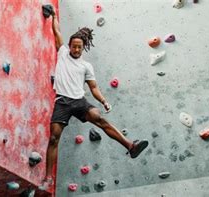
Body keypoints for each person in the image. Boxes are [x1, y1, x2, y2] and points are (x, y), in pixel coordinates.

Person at [39, 7, 149, 192]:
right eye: (73, 46)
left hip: (79, 102)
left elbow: (94, 88)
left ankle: (131, 146)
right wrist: (55, 16)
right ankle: (48, 178)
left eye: (79, 47)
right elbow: (56, 31)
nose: (75, 49)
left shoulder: (86, 66)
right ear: (69, 45)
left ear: (83, 48)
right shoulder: (62, 53)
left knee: (100, 120)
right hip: (63, 102)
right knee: (54, 139)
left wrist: (104, 101)